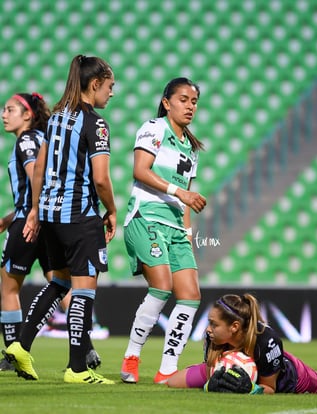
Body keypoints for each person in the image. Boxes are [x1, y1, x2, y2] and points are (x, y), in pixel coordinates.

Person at [2, 54, 116, 384]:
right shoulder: (96, 124)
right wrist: (111, 210)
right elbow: (101, 179)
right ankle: (77, 369)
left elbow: (38, 168)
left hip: (50, 215)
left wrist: (36, 210)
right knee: (83, 289)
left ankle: (20, 346)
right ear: (94, 84)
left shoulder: (55, 119)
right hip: (79, 216)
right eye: (110, 87)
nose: (111, 93)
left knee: (59, 282)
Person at [120, 77, 207, 385]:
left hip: (174, 226)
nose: (190, 106)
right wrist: (179, 192)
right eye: (183, 99)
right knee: (162, 285)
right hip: (146, 216)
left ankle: (167, 368)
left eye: (194, 101)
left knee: (191, 294)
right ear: (167, 102)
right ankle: (131, 357)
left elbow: (185, 199)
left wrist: (187, 234)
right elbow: (140, 171)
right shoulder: (154, 128)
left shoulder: (191, 148)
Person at [167, 293, 317, 395]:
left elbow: (269, 388)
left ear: (234, 327)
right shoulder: (212, 337)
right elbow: (210, 371)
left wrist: (251, 389)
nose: (207, 329)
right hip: (236, 374)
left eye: (213, 324)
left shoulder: (267, 340)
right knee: (172, 383)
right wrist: (212, 384)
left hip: (289, 378)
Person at [0, 92, 52, 372]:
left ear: (27, 115)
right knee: (59, 283)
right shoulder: (43, 140)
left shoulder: (26, 140)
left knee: (8, 285)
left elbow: (35, 177)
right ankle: (86, 348)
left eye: (10, 110)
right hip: (46, 220)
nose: (4, 115)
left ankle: (11, 353)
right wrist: (9, 217)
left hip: (29, 221)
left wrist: (30, 213)